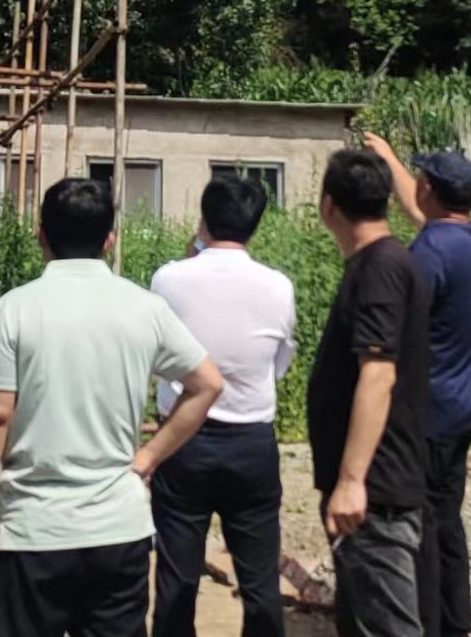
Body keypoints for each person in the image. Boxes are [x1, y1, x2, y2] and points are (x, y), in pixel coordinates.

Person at [0, 177, 230, 637]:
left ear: (41, 235)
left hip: (34, 529)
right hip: (117, 530)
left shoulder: (14, 310)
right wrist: (147, 457)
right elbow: (207, 384)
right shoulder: (144, 308)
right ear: (109, 239)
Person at [148, 175, 298, 637]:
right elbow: (278, 365)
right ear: (255, 223)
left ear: (203, 219)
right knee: (259, 582)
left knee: (177, 581)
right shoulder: (278, 286)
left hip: (182, 439)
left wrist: (196, 247)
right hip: (252, 441)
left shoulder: (168, 279)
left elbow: (158, 357)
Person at [363, 134, 471, 637]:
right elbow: (424, 217)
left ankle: (429, 624)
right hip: (460, 408)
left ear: (430, 188)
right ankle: (455, 622)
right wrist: (389, 157)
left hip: (427, 414)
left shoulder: (430, 253)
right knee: (447, 520)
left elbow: (395, 328)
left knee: (422, 527)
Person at [305, 148, 433, 637]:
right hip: (374, 489)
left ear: (328, 205)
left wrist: (352, 479)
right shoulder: (380, 262)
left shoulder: (380, 268)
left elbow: (378, 374)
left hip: (376, 492)